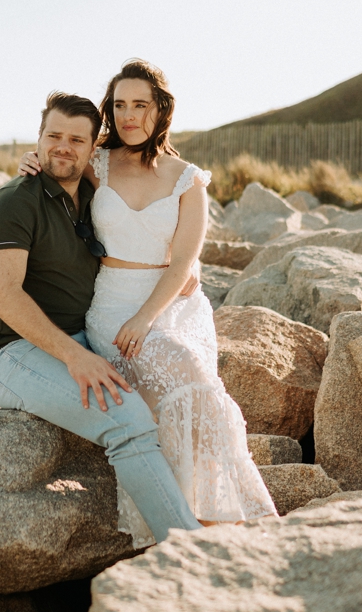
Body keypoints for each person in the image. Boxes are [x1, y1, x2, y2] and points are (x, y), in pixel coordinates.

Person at [19, 60, 276, 547]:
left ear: (161, 110)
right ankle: (193, 522)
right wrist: (27, 162)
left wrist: (146, 317)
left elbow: (183, 263)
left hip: (169, 307)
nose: (129, 115)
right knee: (176, 396)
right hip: (112, 307)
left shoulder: (187, 179)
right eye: (119, 105)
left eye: (140, 105)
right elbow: (60, 155)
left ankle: (217, 517)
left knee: (194, 387)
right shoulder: (98, 164)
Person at [0, 90, 204, 545]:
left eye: (77, 140)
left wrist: (186, 268)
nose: (64, 147)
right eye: (53, 136)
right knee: (129, 422)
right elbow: (3, 297)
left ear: (93, 149)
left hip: (82, 336)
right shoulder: (12, 203)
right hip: (14, 352)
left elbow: (146, 225)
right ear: (37, 139)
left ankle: (208, 509)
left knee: (179, 390)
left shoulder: (89, 191)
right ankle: (189, 549)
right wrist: (75, 357)